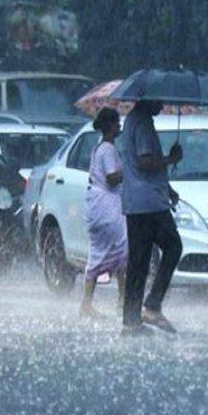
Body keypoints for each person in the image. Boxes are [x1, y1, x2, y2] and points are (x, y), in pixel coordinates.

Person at [119, 99, 183, 334]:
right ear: (149, 99)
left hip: (136, 202)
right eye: (160, 100)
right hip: (149, 203)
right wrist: (171, 159)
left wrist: (169, 189)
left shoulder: (132, 121)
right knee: (174, 247)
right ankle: (152, 305)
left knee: (138, 262)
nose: (163, 104)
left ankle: (131, 319)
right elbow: (145, 162)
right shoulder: (143, 123)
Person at [80, 107, 127, 317]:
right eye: (117, 123)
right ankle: (122, 300)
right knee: (123, 251)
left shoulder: (98, 148)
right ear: (110, 126)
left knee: (97, 253)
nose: (120, 127)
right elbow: (112, 178)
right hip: (108, 208)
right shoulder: (108, 149)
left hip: (97, 207)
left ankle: (86, 303)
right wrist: (129, 169)